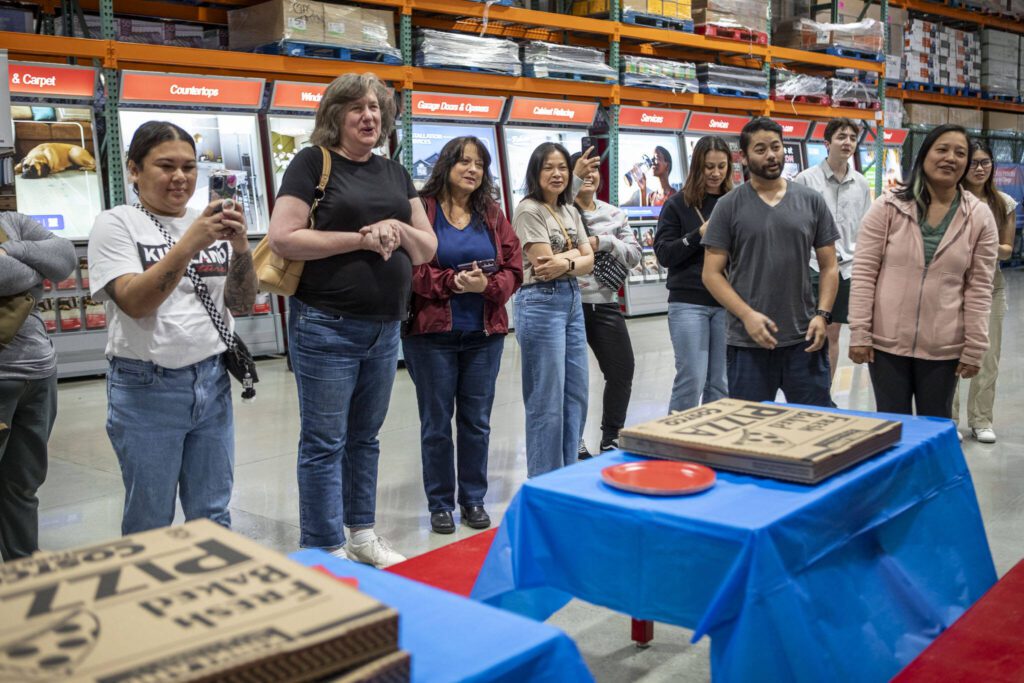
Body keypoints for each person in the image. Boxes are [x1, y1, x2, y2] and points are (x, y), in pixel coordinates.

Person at [267, 73, 436, 568]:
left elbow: (427, 249)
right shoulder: (311, 163)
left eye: (377, 108)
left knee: (365, 437)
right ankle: (323, 546)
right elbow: (284, 238)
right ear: (335, 115)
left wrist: (398, 227)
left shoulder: (395, 173)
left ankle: (361, 532)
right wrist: (361, 239)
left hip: (385, 329)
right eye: (357, 107)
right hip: (325, 325)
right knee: (324, 441)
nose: (369, 116)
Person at [88, 120, 257, 535]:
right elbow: (134, 301)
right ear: (133, 170)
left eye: (189, 166)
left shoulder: (210, 223)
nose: (180, 177)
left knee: (213, 513)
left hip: (212, 381)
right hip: (146, 386)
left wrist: (239, 248)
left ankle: (211, 598)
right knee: (151, 519)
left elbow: (241, 303)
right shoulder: (117, 224)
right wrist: (188, 245)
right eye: (165, 166)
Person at [403, 137, 522, 534]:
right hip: (431, 336)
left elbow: (514, 269)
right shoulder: (422, 209)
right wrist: (454, 282)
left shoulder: (492, 214)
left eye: (480, 164)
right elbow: (411, 269)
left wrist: (484, 287)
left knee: (477, 422)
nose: (472, 169)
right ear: (446, 165)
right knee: (436, 423)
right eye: (464, 161)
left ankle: (473, 499)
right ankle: (440, 503)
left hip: (483, 335)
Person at [848, 124, 998, 418]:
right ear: (924, 155)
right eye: (942, 149)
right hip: (886, 344)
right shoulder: (888, 207)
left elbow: (979, 287)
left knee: (935, 427)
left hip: (943, 347)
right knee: (892, 427)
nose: (950, 158)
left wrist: (975, 346)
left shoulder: (979, 217)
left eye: (960, 153)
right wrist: (860, 332)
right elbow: (865, 273)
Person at [702, 117, 840, 406]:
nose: (772, 155)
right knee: (748, 433)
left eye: (776, 147)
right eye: (761, 149)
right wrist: (747, 315)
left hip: (804, 339)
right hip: (747, 343)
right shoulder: (728, 206)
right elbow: (712, 274)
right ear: (744, 156)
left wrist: (823, 314)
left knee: (813, 426)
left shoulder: (811, 201)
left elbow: (829, 266)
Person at [513, 142, 594, 477]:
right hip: (540, 302)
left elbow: (589, 262)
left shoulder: (570, 211)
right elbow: (543, 264)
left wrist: (569, 262)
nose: (557, 173)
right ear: (536, 172)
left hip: (572, 299)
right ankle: (545, 482)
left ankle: (568, 475)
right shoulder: (528, 210)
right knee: (546, 400)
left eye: (562, 167)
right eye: (548, 167)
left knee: (576, 394)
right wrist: (577, 258)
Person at [0, 213, 76, 560]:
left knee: (23, 481)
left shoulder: (10, 221)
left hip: (39, 372)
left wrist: (10, 249)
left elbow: (64, 259)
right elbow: (5, 275)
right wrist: (35, 272)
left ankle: (22, 563)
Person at [569, 148, 641, 456]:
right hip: (569, 305)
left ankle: (611, 436)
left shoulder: (615, 214)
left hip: (605, 304)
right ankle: (574, 441)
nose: (589, 175)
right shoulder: (560, 211)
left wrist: (606, 242)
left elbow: (636, 255)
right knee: (572, 378)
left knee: (622, 371)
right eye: (582, 170)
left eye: (594, 170)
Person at [654, 136, 733, 412]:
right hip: (688, 303)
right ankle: (675, 446)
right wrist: (697, 235)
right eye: (709, 166)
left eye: (721, 166)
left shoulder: (735, 202)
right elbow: (664, 254)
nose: (715, 173)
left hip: (727, 304)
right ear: (697, 166)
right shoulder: (677, 204)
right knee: (691, 379)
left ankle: (713, 445)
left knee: (721, 383)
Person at [793, 117, 872, 385]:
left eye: (852, 137)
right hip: (813, 266)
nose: (847, 142)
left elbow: (864, 228)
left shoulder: (861, 184)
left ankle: (825, 391)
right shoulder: (805, 180)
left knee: (834, 333)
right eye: (841, 137)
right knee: (812, 331)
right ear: (827, 143)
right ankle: (807, 387)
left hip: (846, 269)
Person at [952, 140, 1018, 443]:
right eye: (975, 162)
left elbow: (1006, 250)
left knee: (988, 357)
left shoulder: (1003, 203)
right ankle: (947, 420)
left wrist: (982, 246)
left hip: (991, 289)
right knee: (949, 355)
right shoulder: (951, 199)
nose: (980, 168)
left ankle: (981, 419)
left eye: (985, 163)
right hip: (952, 289)